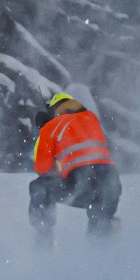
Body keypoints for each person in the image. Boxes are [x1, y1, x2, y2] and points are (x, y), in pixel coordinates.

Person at [29, 91, 120, 243]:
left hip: (80, 181)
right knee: (100, 233)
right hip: (111, 180)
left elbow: (43, 168)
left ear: (53, 111)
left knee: (39, 187)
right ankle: (105, 251)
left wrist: (43, 130)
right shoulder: (91, 119)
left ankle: (42, 240)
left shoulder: (51, 126)